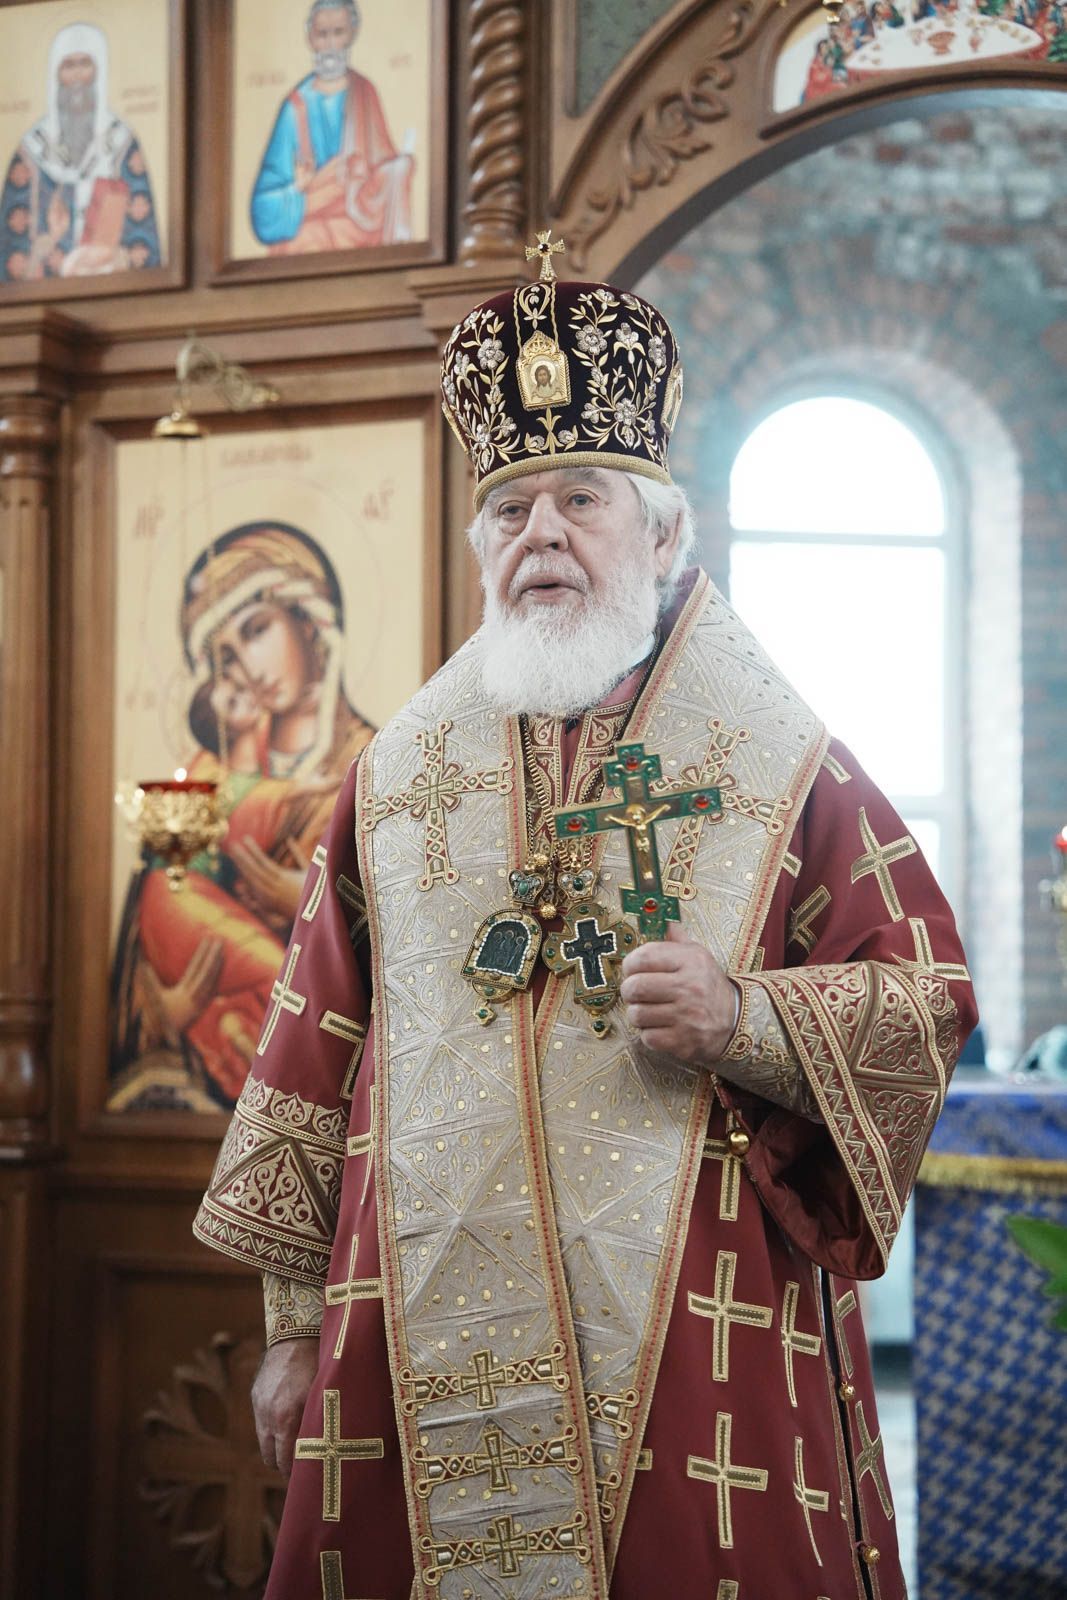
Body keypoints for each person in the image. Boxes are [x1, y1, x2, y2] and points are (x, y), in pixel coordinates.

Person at [195, 258, 977, 1598]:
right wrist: (287, 1327)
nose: (539, 534)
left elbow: (923, 997)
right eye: (509, 508)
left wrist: (747, 1020)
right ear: (479, 547)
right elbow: (313, 1048)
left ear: (661, 537)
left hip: (696, 1338)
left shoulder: (778, 761)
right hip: (409, 1325)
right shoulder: (396, 776)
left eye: (579, 499)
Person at [108, 523, 374, 1112]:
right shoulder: (204, 779)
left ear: (310, 619)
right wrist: (166, 1011)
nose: (248, 668)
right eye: (226, 655)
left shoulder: (379, 767)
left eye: (257, 629)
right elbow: (148, 929)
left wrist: (307, 900)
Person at [0, 21, 161, 283]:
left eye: (85, 64)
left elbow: (144, 247)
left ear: (99, 71)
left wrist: (114, 258)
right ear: (55, 74)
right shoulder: (32, 149)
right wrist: (41, 250)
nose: (76, 77)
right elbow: (10, 252)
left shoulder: (121, 142)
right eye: (68, 66)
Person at [250, 0, 413, 256]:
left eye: (338, 33)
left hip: (359, 225)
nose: (330, 45)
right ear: (310, 38)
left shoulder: (365, 93)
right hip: (309, 233)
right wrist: (299, 190)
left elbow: (380, 169)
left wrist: (397, 169)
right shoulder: (294, 108)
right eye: (322, 34)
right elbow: (263, 210)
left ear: (352, 34)